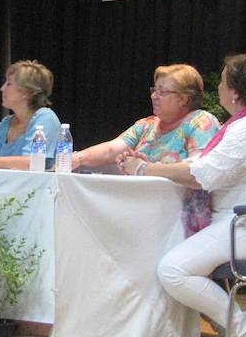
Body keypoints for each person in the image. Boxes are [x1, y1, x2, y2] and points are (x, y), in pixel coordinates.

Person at [120, 54, 246, 337]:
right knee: (168, 257)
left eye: (223, 81)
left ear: (235, 92)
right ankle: (234, 333)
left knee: (174, 270)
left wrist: (144, 168)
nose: (218, 87)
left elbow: (202, 174)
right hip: (240, 222)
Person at [72, 64, 220, 234]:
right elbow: (112, 149)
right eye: (154, 90)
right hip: (139, 210)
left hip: (178, 220)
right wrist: (76, 158)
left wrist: (142, 167)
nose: (154, 96)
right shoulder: (147, 124)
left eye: (162, 92)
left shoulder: (200, 121)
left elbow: (197, 169)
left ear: (184, 99)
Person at [0, 60, 61, 170]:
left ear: (27, 92)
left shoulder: (45, 118)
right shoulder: (5, 124)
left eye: (8, 84)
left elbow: (31, 163)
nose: (2, 88)